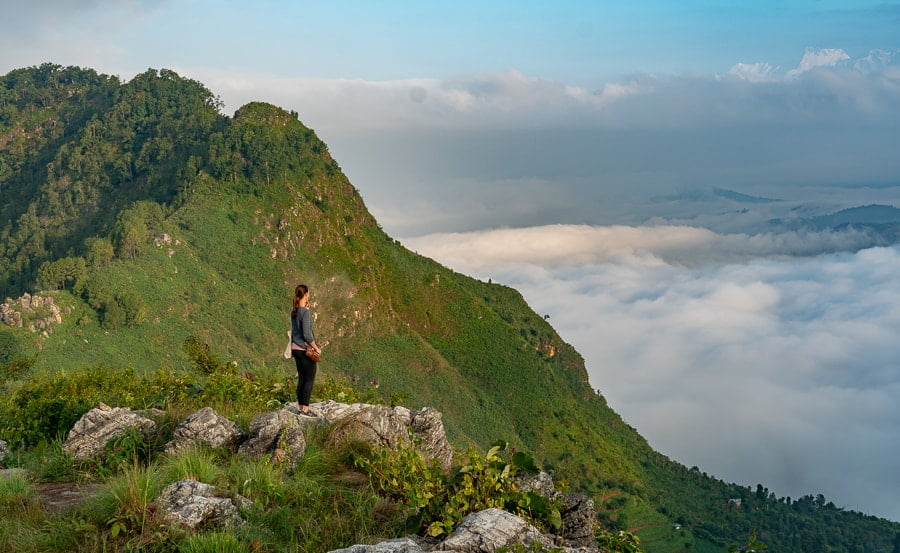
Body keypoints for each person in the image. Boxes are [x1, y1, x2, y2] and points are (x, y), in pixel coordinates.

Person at [290, 284, 322, 416]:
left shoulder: (294, 311)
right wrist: (316, 348)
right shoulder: (305, 312)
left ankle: (300, 407)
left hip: (295, 349)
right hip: (304, 350)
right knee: (309, 379)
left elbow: (298, 327)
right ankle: (305, 409)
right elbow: (307, 335)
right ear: (307, 294)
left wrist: (306, 310)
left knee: (302, 378)